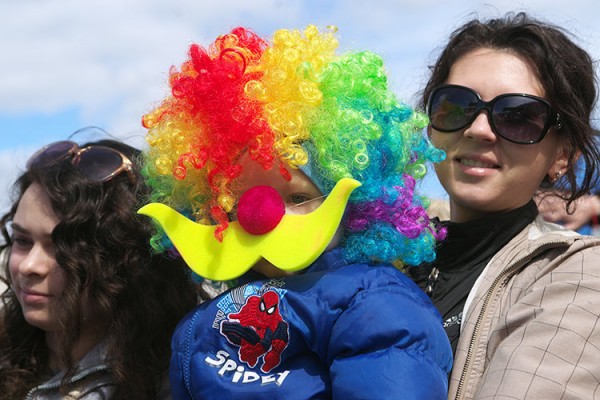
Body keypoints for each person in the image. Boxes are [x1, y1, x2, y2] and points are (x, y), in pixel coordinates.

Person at [139, 25, 452, 399]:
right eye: (240, 204)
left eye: (298, 197)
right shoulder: (208, 314)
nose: (265, 217)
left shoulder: (372, 302)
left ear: (355, 205)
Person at [409, 12, 600, 399]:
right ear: (430, 126)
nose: (478, 129)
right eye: (457, 105)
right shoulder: (374, 246)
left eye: (519, 117)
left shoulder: (577, 273)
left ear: (562, 156)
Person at [0, 134, 199, 399]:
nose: (29, 266)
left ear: (126, 260)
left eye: (63, 249)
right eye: (23, 240)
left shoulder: (183, 384)